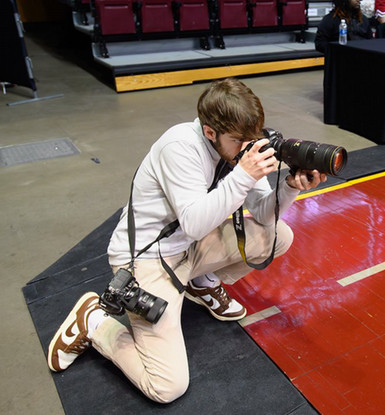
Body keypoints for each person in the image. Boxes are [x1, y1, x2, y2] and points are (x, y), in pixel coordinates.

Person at [46, 78, 327, 403]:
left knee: (278, 236)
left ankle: (201, 283)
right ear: (210, 132)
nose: (248, 147)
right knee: (167, 387)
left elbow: (264, 215)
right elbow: (194, 222)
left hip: (190, 247)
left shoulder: (240, 146)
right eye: (238, 140)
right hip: (148, 258)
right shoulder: (179, 147)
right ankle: (94, 322)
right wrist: (244, 175)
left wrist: (289, 188)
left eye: (252, 137)